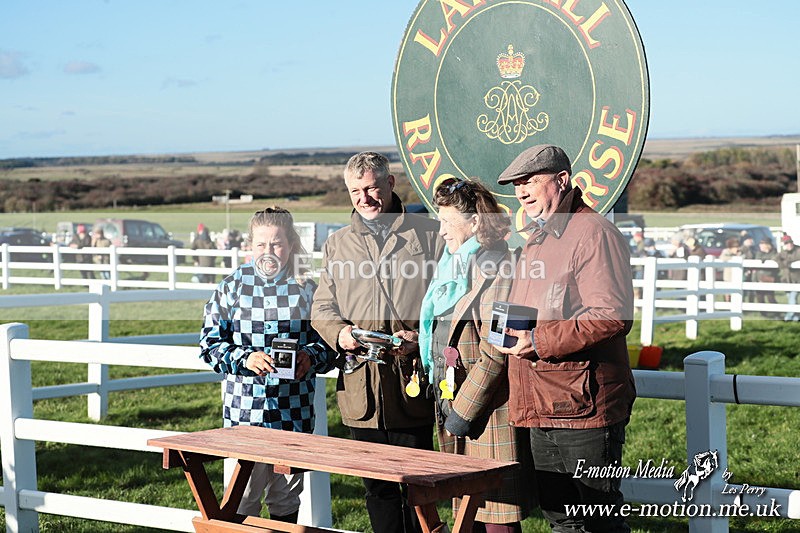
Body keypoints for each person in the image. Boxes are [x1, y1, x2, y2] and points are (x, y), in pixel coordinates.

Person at [494, 144, 635, 533]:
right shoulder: (538, 237)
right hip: (543, 402)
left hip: (583, 407)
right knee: (562, 519)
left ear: (562, 180)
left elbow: (611, 315)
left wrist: (538, 341)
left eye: (530, 180)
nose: (522, 191)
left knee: (597, 520)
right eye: (517, 184)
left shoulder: (592, 233)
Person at [311, 151, 445, 533]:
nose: (364, 198)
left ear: (390, 183)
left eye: (371, 188)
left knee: (419, 487)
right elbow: (322, 306)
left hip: (411, 384)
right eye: (355, 191)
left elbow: (448, 304)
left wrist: (419, 338)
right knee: (378, 491)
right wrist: (339, 333)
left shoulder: (429, 236)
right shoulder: (337, 245)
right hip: (361, 390)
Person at [200, 206, 336, 523]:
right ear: (250, 245)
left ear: (290, 245)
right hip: (245, 415)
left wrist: (310, 357)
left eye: (277, 244)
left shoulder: (309, 290)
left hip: (293, 414)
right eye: (261, 244)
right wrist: (245, 358)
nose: (269, 251)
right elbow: (209, 346)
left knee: (286, 501)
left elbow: (330, 345)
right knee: (242, 499)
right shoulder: (231, 288)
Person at [419, 178, 534, 532]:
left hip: (488, 414)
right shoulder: (453, 267)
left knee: (496, 521)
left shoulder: (500, 268)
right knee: (469, 519)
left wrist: (461, 412)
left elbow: (497, 350)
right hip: (459, 407)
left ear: (474, 222)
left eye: (447, 222)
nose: (441, 231)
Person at [777, 235, 800, 321]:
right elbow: (775, 258)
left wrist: (787, 262)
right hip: (786, 280)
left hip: (797, 280)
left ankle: (788, 317)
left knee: (792, 298)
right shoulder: (782, 253)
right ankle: (796, 317)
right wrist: (784, 264)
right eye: (786, 243)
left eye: (790, 242)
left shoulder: (798, 250)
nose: (789, 244)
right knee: (791, 298)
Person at [753, 237, 778, 315]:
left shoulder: (774, 252)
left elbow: (774, 259)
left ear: (767, 245)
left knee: (770, 297)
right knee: (759, 297)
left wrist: (764, 259)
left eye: (762, 244)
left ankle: (777, 312)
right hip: (758, 277)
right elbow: (757, 260)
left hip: (768, 277)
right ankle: (763, 314)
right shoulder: (758, 253)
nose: (760, 245)